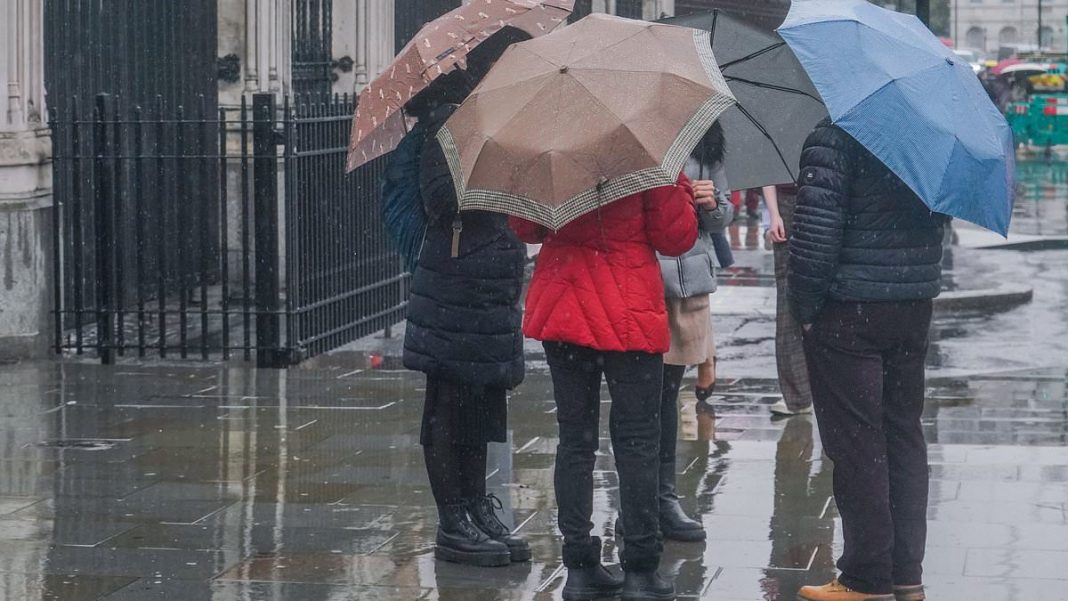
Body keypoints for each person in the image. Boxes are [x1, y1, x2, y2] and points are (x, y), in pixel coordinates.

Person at [511, 176, 698, 601]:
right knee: (637, 441)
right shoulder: (649, 155)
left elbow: (525, 228)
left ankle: (579, 566)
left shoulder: (553, 150)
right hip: (627, 307)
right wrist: (683, 190)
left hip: (563, 302)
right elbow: (675, 238)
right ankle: (640, 569)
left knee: (574, 440)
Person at [788, 118, 946, 601]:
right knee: (903, 434)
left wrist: (805, 309)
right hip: (912, 304)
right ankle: (906, 573)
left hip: (849, 309)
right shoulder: (926, 135)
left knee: (858, 442)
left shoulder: (832, 136)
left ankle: (865, 577)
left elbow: (816, 237)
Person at [398, 31, 532, 568]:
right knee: (448, 408)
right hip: (454, 289)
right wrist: (492, 159)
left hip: (493, 287)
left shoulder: (499, 124)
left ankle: (477, 505)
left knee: (483, 407)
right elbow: (441, 201)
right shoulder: (445, 124)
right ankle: (452, 519)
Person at [652, 124, 732, 543]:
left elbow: (723, 213)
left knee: (667, 395)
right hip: (645, 279)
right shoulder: (641, 133)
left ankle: (664, 497)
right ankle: (646, 499)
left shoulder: (707, 139)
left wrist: (710, 203)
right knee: (642, 399)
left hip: (689, 284)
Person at [764, 184, 814, 416]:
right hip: (787, 205)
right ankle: (797, 395)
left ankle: (823, 391)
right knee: (787, 298)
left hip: (822, 201)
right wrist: (773, 214)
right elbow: (768, 172)